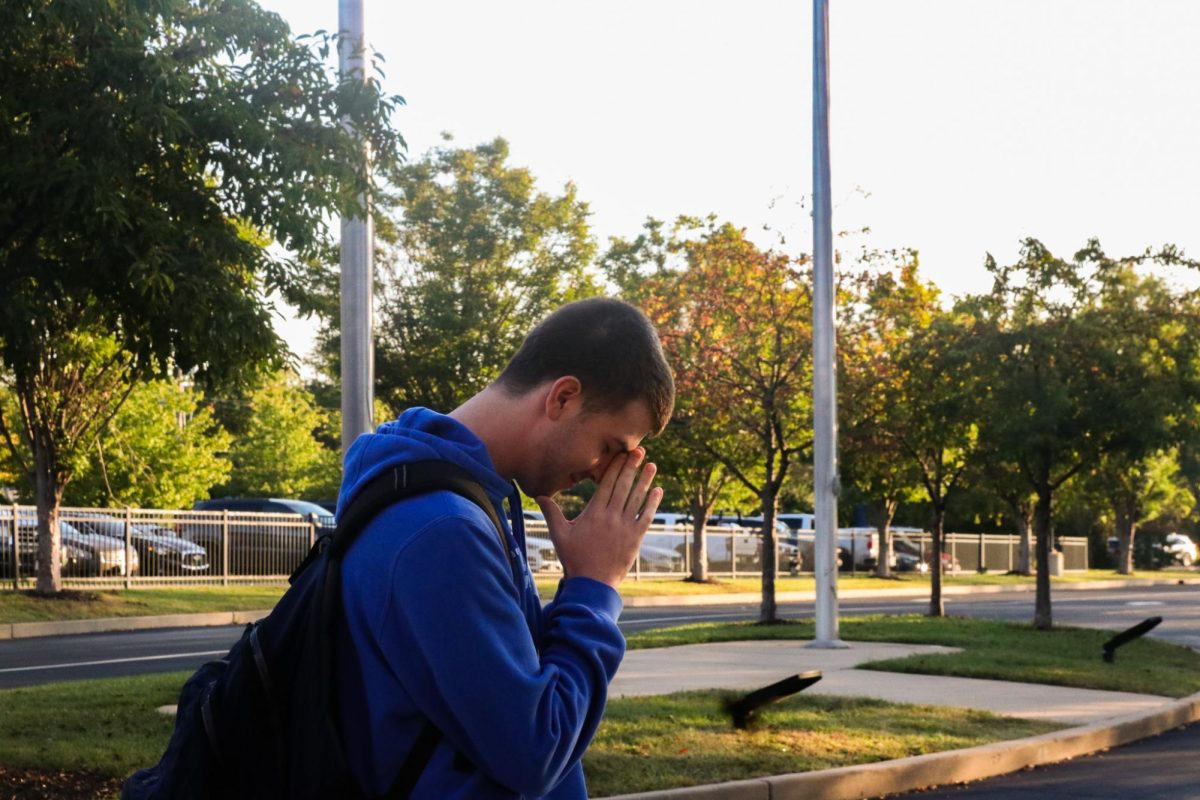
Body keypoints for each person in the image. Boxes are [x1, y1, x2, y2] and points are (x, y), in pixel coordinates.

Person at [334, 297, 675, 799]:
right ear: (562, 398)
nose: (603, 473)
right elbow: (536, 751)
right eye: (610, 447)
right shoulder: (442, 531)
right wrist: (595, 588)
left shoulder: (460, 499)